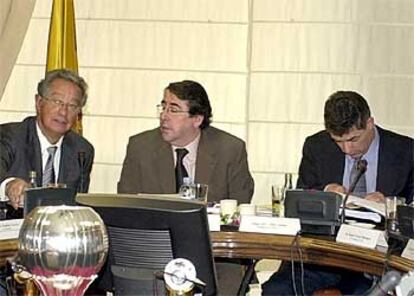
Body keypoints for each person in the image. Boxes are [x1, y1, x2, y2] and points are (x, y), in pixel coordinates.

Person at [262, 90, 414, 295]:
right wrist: (324, 193)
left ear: (370, 123)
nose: (347, 149)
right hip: (323, 256)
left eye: (353, 139)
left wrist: (390, 206)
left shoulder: (405, 150)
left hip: (377, 261)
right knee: (277, 290)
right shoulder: (317, 146)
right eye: (338, 141)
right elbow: (300, 200)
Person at [118, 80, 254, 295]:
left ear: (197, 119)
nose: (164, 115)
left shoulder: (230, 149)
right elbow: (127, 205)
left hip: (213, 255)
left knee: (229, 281)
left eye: (174, 109)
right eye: (163, 107)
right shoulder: (140, 147)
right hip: (154, 254)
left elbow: (238, 205)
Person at [0, 69, 94, 216]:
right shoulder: (10, 135)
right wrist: (8, 185)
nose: (64, 112)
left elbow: (78, 205)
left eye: (72, 106)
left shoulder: (81, 150)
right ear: (39, 102)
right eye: (57, 102)